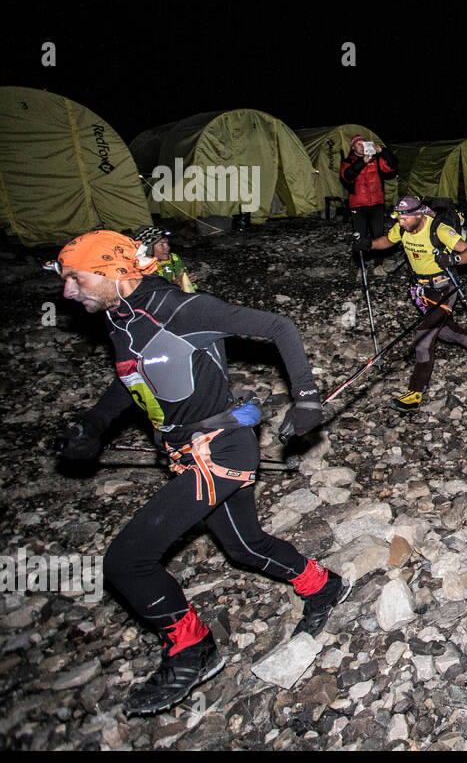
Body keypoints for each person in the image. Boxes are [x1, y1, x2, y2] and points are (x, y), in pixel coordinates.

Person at [49, 231, 347, 716]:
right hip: (188, 453)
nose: (67, 292)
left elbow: (279, 326)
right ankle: (324, 585)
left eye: (76, 280)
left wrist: (307, 400)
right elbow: (134, 378)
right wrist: (94, 425)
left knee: (126, 560)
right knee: (243, 545)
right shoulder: (119, 318)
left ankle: (191, 647)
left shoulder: (178, 308)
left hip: (221, 449)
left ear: (113, 272)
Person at [355, 196, 467, 412]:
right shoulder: (402, 228)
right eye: (398, 217)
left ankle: (415, 393)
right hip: (420, 289)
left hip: (444, 289)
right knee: (444, 331)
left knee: (424, 338)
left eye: (405, 218)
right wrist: (369, 244)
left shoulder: (439, 230)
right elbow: (388, 241)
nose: (400, 221)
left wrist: (453, 260)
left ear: (420, 215)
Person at [340, 135, 398, 242]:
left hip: (377, 203)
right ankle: (360, 257)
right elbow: (347, 176)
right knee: (359, 235)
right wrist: (362, 162)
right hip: (358, 204)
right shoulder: (347, 162)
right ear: (353, 147)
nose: (362, 146)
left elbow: (393, 167)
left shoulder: (377, 160)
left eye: (364, 144)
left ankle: (379, 258)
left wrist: (382, 151)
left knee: (378, 234)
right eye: (359, 144)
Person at [134, 225, 196, 293]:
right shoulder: (139, 267)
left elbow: (186, 286)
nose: (168, 248)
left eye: (167, 243)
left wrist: (187, 283)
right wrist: (173, 285)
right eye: (162, 244)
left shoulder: (174, 259)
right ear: (148, 249)